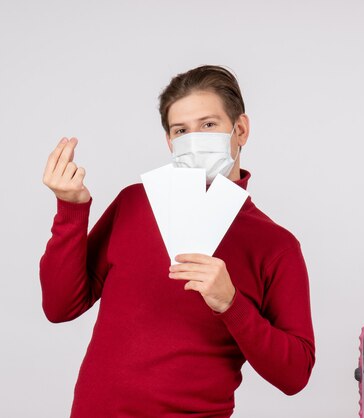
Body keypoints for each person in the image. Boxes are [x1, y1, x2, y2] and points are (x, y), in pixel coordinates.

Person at [39, 65, 315, 417]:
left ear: (240, 129)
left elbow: (295, 375)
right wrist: (70, 210)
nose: (194, 138)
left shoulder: (276, 245)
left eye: (209, 125)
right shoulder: (134, 204)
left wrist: (231, 303)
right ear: (170, 141)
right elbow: (60, 307)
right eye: (181, 130)